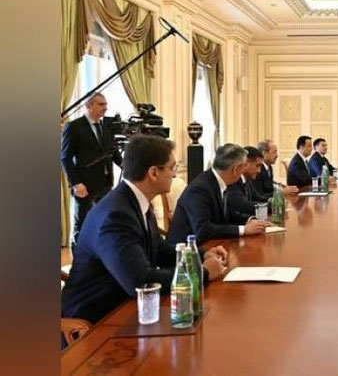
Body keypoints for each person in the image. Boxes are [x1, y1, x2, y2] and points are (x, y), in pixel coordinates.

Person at [61, 135, 227, 325]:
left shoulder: (134, 200)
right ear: (153, 172)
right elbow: (140, 281)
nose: (174, 174)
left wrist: (199, 255)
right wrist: (201, 273)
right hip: (93, 321)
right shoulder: (116, 215)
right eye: (172, 168)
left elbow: (159, 250)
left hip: (125, 307)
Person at [167, 144, 270, 246]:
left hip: (211, 246)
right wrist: (244, 229)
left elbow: (229, 213)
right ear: (235, 169)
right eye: (243, 167)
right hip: (186, 251)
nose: (243, 171)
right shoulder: (200, 188)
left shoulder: (218, 181)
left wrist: (251, 220)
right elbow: (203, 230)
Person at [60, 93, 123, 245]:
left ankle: (97, 256)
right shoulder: (74, 127)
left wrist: (128, 167)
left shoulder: (105, 126)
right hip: (84, 185)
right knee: (82, 225)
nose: (105, 108)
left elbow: (113, 152)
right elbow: (65, 157)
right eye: (101, 104)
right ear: (89, 106)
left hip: (105, 183)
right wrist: (76, 183)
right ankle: (78, 259)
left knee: (103, 223)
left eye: (106, 104)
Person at [225, 146, 266, 222]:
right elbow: (244, 206)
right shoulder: (233, 181)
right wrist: (272, 206)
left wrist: (274, 201)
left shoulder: (247, 180)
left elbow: (259, 198)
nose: (259, 171)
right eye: (257, 165)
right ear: (246, 163)